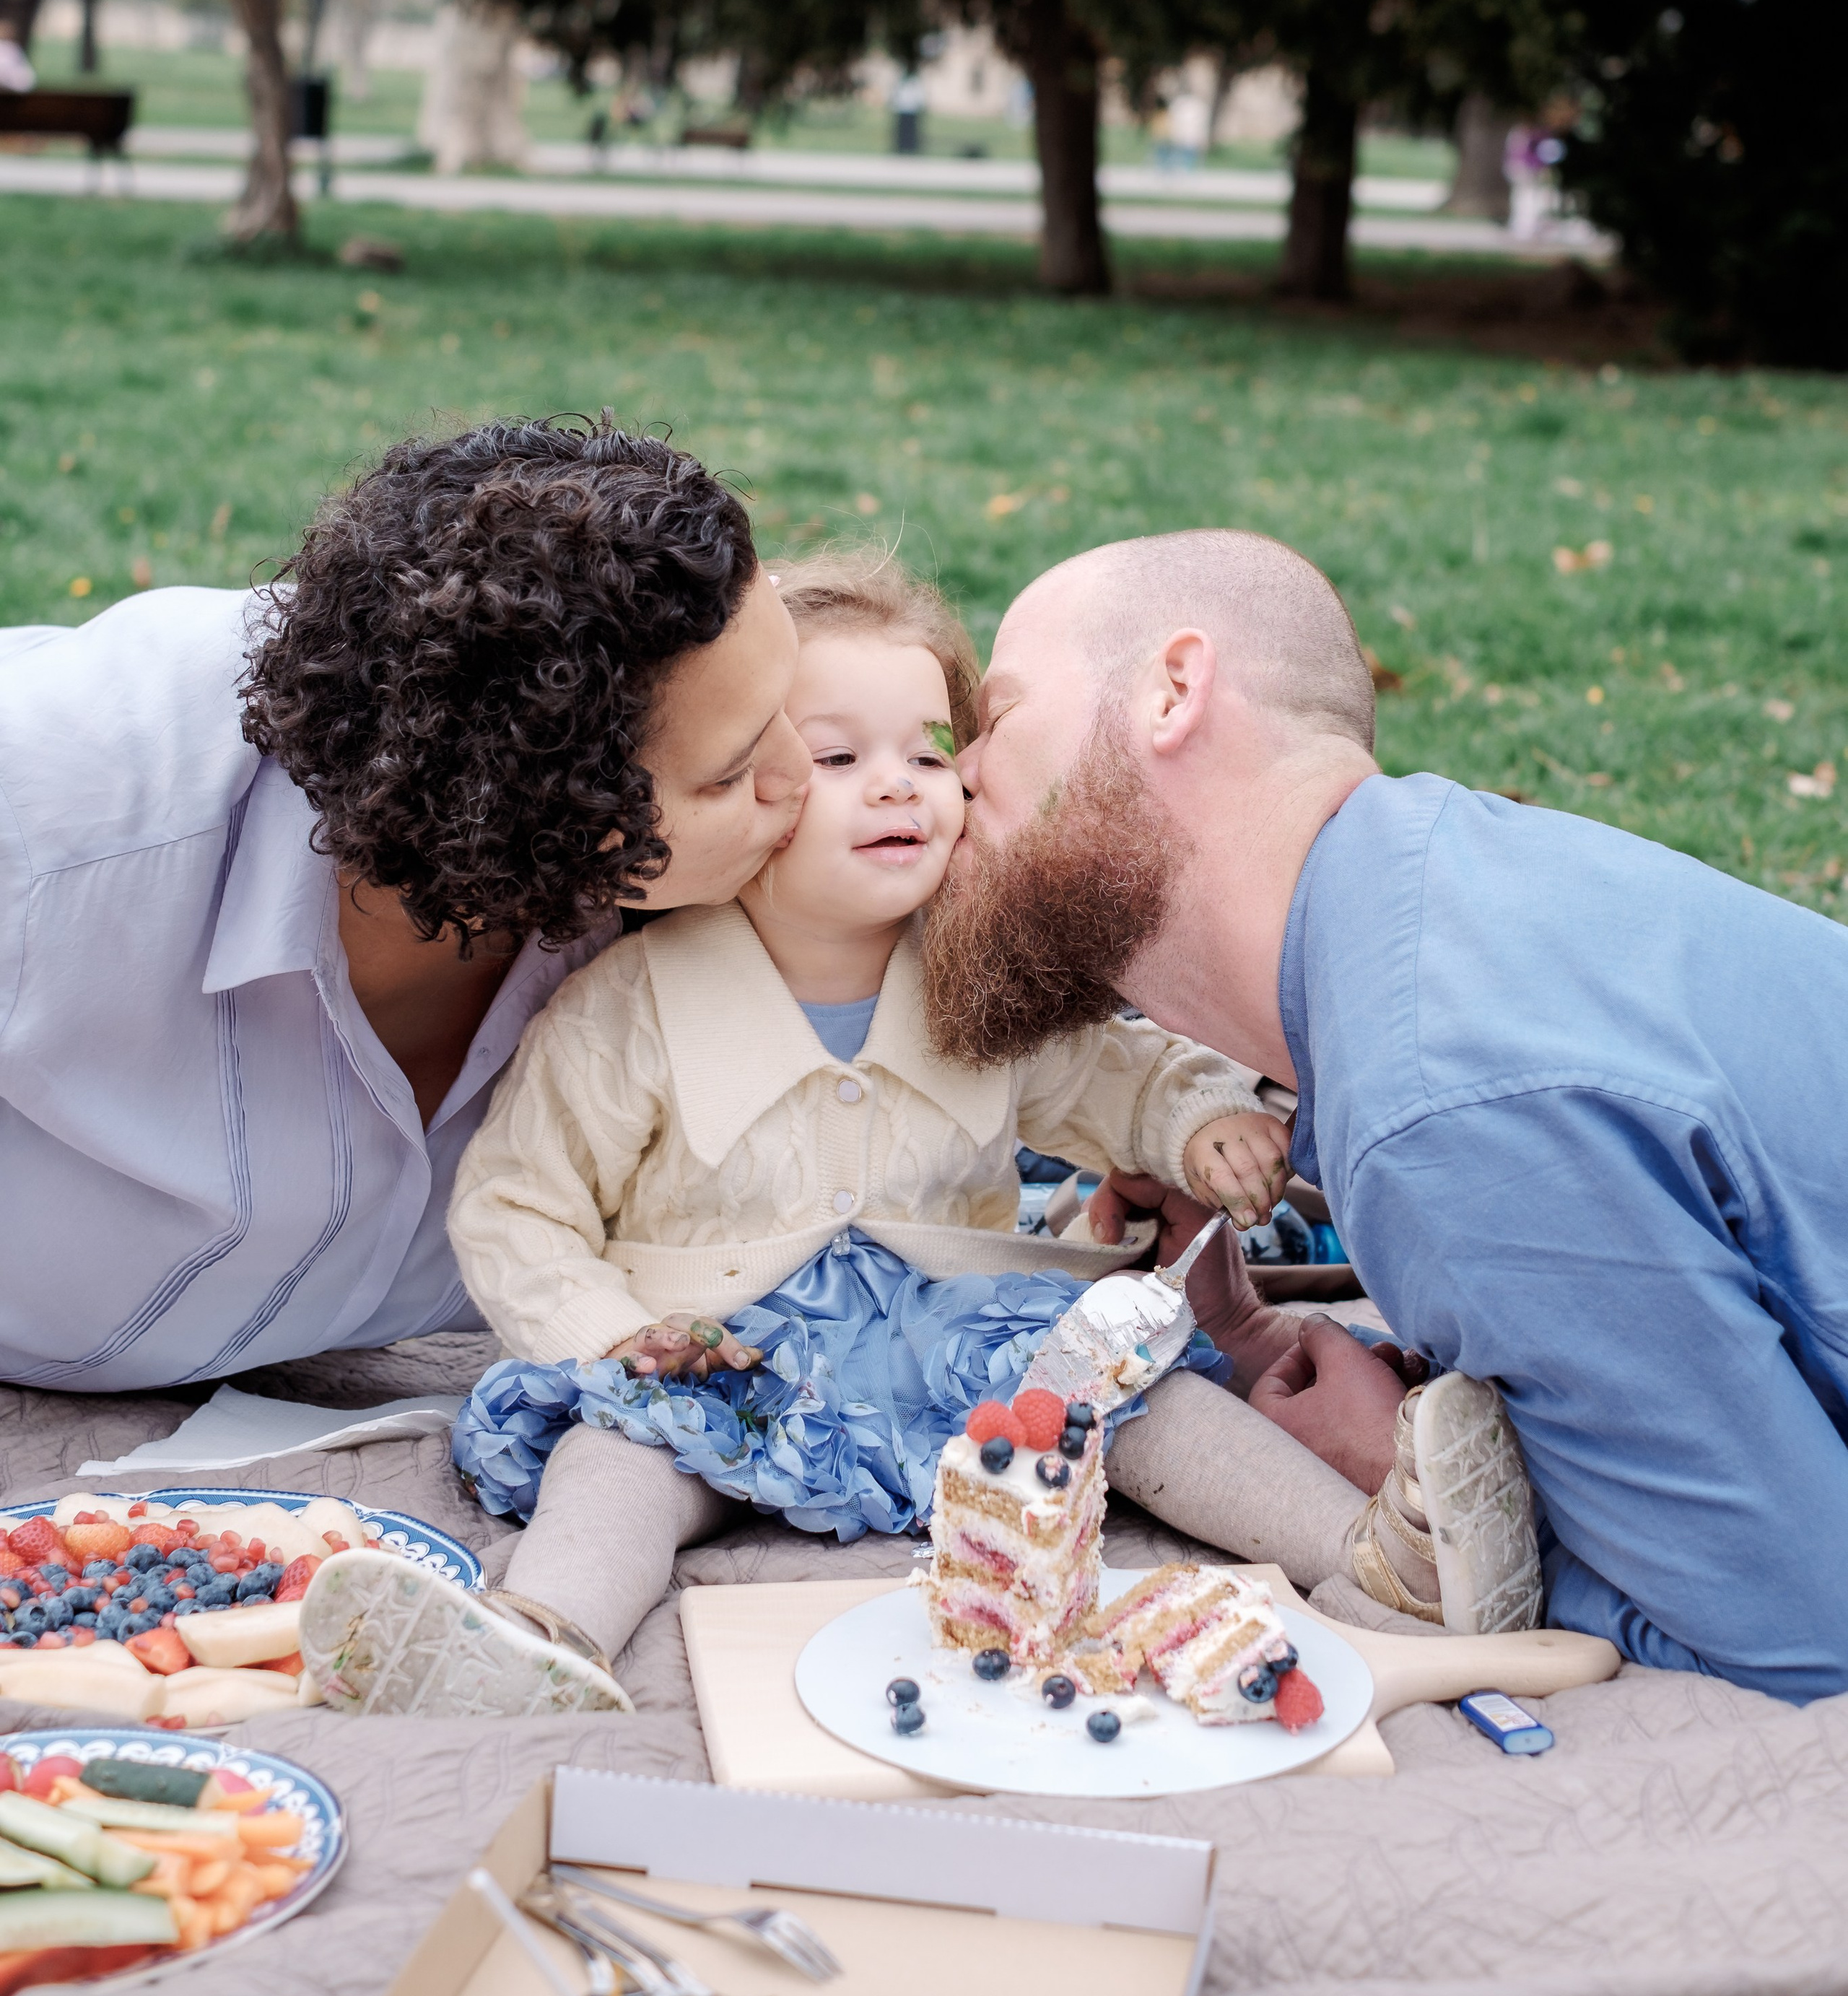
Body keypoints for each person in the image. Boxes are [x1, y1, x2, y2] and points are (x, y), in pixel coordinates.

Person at [309, 552, 1312, 1713]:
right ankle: (543, 1633)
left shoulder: (975, 982)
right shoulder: (632, 1010)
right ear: (745, 789)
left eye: (931, 753)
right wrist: (622, 1336)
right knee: (620, 1459)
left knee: (1136, 1398)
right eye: (838, 759)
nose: (900, 787)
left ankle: (1380, 1552)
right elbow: (517, 1204)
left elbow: (1110, 1073)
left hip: (959, 1348)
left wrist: (1199, 1122)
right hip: (721, 1362)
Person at [922, 526, 1848, 1704]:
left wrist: (1429, 1501)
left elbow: (1813, 1647)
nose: (957, 776)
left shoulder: (1437, 1104)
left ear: (1172, 688)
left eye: (995, 719)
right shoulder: (1444, 896)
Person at [0, 419, 811, 1393]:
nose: (802, 777)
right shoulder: (59, 824)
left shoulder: (733, 895)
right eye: (732, 775)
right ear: (536, 823)